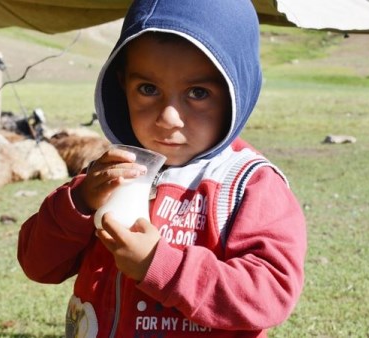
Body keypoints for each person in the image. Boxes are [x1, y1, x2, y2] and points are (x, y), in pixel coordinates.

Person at [18, 0, 307, 337]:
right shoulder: (112, 172)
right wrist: (79, 202)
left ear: (236, 92)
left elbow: (269, 295)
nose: (168, 118)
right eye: (148, 89)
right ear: (122, 85)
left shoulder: (248, 184)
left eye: (198, 92)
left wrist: (161, 265)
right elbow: (38, 265)